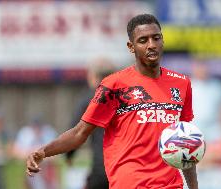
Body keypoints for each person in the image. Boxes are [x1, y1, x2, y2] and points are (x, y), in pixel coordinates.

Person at [26, 14, 199, 189]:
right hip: (130, 184)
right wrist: (43, 152)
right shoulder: (114, 85)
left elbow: (184, 142)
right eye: (143, 40)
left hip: (170, 185)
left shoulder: (181, 83)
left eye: (156, 38)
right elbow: (80, 133)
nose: (151, 45)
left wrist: (193, 187)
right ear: (131, 47)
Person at [65, 58, 115, 189]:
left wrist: (69, 155)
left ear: (94, 77)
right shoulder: (127, 98)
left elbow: (76, 133)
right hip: (126, 171)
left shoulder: (89, 100)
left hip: (101, 170)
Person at [12, 116, 59, 189]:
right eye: (35, 127)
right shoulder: (25, 133)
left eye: (39, 127)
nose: (37, 129)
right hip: (30, 169)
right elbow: (16, 152)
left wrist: (39, 155)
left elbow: (57, 154)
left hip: (47, 169)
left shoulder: (49, 133)